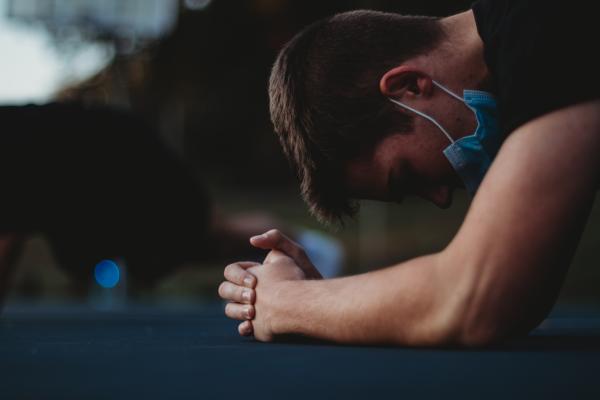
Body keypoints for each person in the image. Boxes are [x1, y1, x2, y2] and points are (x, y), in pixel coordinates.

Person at [218, 0, 600, 345]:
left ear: (409, 86)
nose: (441, 198)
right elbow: (521, 294)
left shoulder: (551, 26)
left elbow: (477, 298)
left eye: (407, 177)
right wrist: (332, 308)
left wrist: (286, 301)